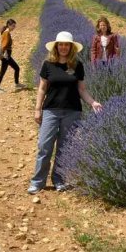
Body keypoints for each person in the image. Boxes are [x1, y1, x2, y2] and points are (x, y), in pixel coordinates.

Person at [29, 31, 102, 195]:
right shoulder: (48, 64)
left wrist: (92, 102)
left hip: (72, 111)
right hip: (51, 110)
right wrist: (37, 109)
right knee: (44, 146)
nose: (63, 47)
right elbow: (42, 88)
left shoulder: (77, 65)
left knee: (64, 147)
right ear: (56, 46)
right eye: (60, 44)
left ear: (71, 47)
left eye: (66, 45)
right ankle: (37, 182)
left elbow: (81, 90)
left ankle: (59, 180)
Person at [0, 19, 24, 93]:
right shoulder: (7, 33)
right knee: (3, 72)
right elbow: (4, 45)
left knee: (17, 68)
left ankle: (17, 84)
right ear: (8, 25)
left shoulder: (6, 32)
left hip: (7, 56)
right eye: (13, 26)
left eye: (15, 26)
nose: (14, 27)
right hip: (6, 56)